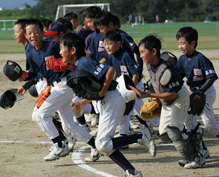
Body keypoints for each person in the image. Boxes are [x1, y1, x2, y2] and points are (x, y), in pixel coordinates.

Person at [60, 32, 155, 177]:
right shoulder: (78, 65)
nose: (60, 52)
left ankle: (141, 137)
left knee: (102, 144)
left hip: (112, 100)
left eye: (61, 48)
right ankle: (133, 173)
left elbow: (109, 70)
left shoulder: (84, 62)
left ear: (72, 50)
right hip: (107, 102)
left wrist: (102, 91)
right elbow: (95, 89)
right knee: (104, 145)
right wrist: (83, 103)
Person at [17, 19, 99, 162]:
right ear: (25, 35)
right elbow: (36, 72)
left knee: (42, 115)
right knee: (69, 126)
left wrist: (66, 64)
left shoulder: (53, 46)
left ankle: (59, 144)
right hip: (54, 86)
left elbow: (76, 52)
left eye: (36, 32)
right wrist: (25, 77)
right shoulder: (30, 51)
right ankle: (95, 145)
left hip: (65, 84)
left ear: (42, 33)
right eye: (29, 33)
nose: (33, 35)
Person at [139, 34, 206, 169]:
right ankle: (194, 135)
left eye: (142, 52)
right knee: (164, 135)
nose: (140, 56)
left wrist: (150, 94)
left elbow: (171, 94)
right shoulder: (150, 65)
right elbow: (157, 84)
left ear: (153, 51)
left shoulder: (167, 70)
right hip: (167, 101)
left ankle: (195, 158)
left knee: (175, 131)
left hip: (178, 98)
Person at [175, 26, 219, 159]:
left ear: (193, 43)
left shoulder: (200, 58)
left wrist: (201, 91)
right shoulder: (181, 60)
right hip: (194, 94)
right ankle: (203, 150)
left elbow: (212, 77)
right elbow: (178, 77)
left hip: (206, 93)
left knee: (209, 124)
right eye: (178, 43)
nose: (180, 46)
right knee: (189, 120)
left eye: (183, 43)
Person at [103, 31, 156, 150]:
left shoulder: (126, 55)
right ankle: (125, 134)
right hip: (125, 87)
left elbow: (136, 73)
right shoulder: (111, 57)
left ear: (118, 44)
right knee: (134, 111)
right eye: (105, 44)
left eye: (110, 44)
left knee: (136, 111)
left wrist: (132, 89)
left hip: (134, 85)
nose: (107, 47)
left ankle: (161, 125)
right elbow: (115, 72)